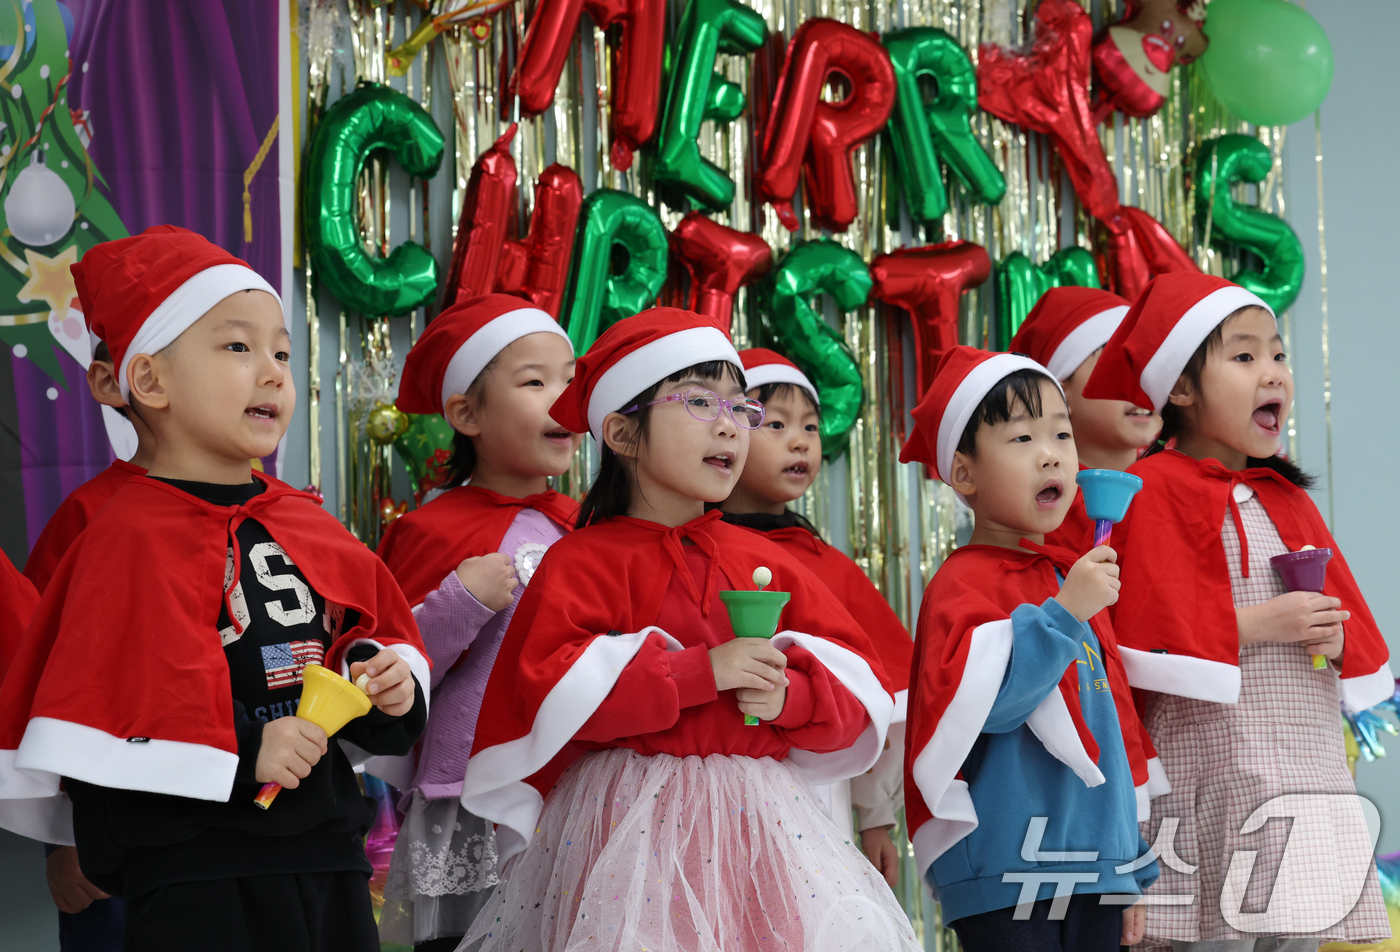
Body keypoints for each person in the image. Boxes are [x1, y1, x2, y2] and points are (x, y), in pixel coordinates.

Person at [0, 226, 431, 952]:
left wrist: (386, 689)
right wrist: (241, 752)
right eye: (238, 347)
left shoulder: (307, 523)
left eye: (283, 353)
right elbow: (116, 698)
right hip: (198, 873)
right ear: (150, 381)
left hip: (327, 859)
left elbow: (361, 653)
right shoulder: (122, 536)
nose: (271, 371)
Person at [456, 309, 919, 952]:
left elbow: (855, 685)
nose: (730, 424)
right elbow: (548, 697)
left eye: (740, 409)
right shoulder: (583, 561)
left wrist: (796, 698)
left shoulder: (775, 560)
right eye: (700, 402)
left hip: (763, 830)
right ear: (621, 431)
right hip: (627, 831)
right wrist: (703, 671)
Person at [1083, 272, 1393, 950]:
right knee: (1217, 935)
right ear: (1184, 389)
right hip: (1216, 766)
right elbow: (1137, 636)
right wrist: (1261, 625)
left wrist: (1332, 633)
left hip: (1305, 761)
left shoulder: (1288, 499)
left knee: (1298, 933)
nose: (1273, 373)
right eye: (1245, 356)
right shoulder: (1152, 489)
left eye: (1278, 355)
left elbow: (1353, 626)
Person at [900, 345, 1163, 952]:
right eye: (1021, 439)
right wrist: (1068, 612)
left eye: (1062, 433)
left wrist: (1132, 870)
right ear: (963, 473)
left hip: (1097, 869)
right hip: (1004, 871)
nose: (1051, 453)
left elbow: (1112, 731)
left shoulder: (1065, 574)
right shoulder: (961, 585)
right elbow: (991, 708)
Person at [375, 294, 581, 952]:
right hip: (470, 797)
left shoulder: (587, 528)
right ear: (466, 413)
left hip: (570, 793)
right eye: (534, 381)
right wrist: (462, 599)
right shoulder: (429, 531)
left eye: (571, 383)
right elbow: (391, 665)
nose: (564, 401)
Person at [717, 347, 913, 887]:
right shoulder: (695, 550)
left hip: (816, 794)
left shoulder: (826, 566)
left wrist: (876, 817)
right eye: (776, 424)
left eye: (810, 425)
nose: (801, 440)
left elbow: (876, 698)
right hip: (707, 786)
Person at [17, 338, 155, 952]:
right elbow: (42, 688)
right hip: (117, 837)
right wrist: (64, 835)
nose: (262, 373)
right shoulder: (87, 517)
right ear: (127, 385)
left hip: (256, 837)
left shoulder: (283, 515)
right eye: (231, 347)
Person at [1008, 287, 1159, 553]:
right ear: (1061, 391)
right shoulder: (1041, 507)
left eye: (1148, 363)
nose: (1143, 383)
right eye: (1117, 366)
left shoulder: (1177, 482)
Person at [23, 340, 155, 593]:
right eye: (235, 347)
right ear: (112, 381)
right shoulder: (90, 513)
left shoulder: (257, 500)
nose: (256, 373)